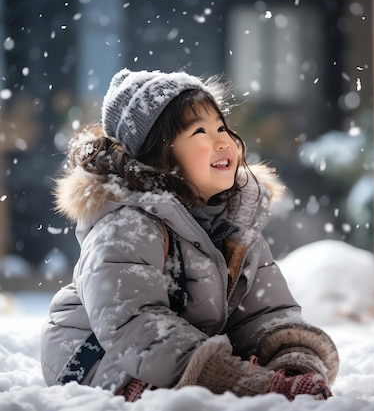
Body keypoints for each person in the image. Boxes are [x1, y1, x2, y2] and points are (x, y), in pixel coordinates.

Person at [40, 68, 339, 402]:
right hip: (94, 356)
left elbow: (266, 313)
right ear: (159, 157)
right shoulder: (127, 225)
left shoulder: (237, 227)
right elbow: (135, 322)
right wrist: (234, 378)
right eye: (200, 131)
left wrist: (292, 360)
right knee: (172, 395)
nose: (223, 141)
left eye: (221, 127)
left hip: (183, 349)